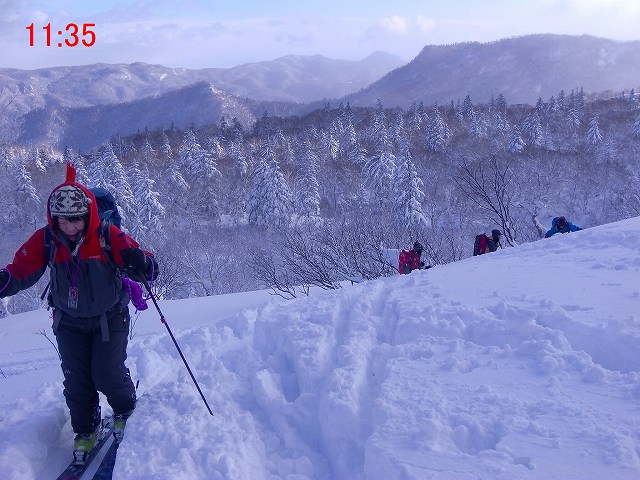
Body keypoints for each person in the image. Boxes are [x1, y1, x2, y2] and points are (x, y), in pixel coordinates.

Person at [0, 168, 158, 464]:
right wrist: (5, 280)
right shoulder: (48, 239)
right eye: (62, 220)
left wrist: (143, 263)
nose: (68, 226)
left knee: (107, 372)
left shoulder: (107, 235)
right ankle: (86, 427)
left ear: (87, 215)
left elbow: (141, 260)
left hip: (109, 317)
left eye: (74, 219)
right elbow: (23, 268)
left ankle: (125, 408)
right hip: (69, 321)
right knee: (76, 379)